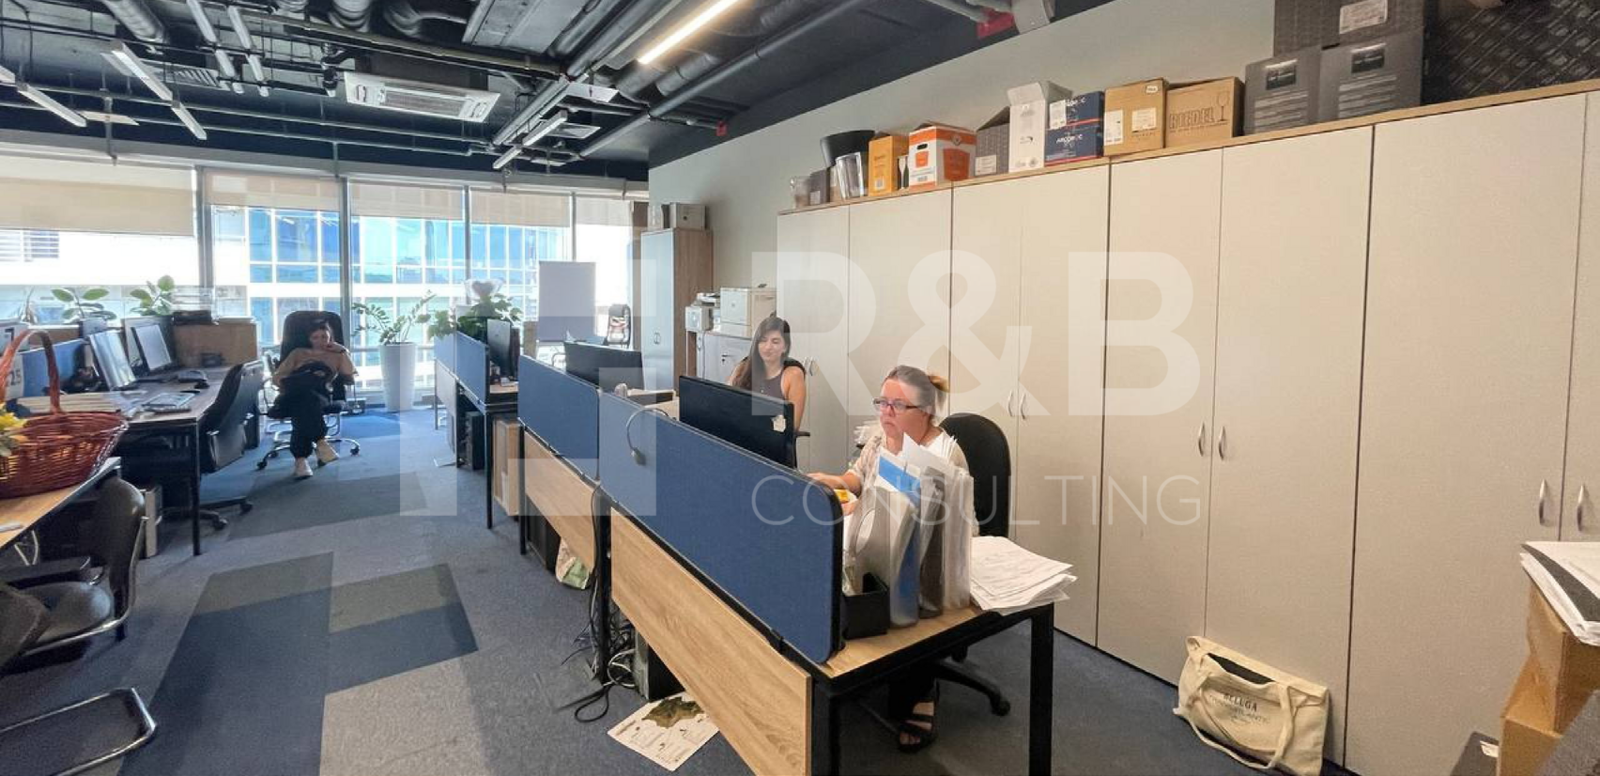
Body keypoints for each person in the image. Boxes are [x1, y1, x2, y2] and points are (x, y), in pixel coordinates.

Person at [809, 364, 965, 753]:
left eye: (897, 405)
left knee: (896, 592)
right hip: (877, 541)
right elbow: (858, 477)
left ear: (925, 411)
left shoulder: (943, 454)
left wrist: (862, 509)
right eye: (882, 402)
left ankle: (923, 689)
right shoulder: (882, 437)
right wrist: (835, 482)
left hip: (930, 560)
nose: (885, 413)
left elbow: (937, 527)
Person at [269, 319, 355, 480]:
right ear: (309, 338)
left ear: (330, 337)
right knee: (304, 399)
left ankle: (300, 461)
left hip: (321, 394)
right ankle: (321, 442)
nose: (320, 341)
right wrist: (293, 382)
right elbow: (278, 377)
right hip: (293, 393)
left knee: (303, 406)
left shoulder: (337, 355)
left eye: (324, 337)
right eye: (315, 337)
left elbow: (348, 374)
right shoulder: (297, 353)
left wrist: (343, 351)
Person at [727, 315, 807, 428]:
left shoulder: (793, 374)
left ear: (785, 347)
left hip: (771, 437)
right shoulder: (743, 367)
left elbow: (793, 426)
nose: (768, 347)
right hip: (738, 431)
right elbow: (725, 404)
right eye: (763, 340)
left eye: (775, 342)